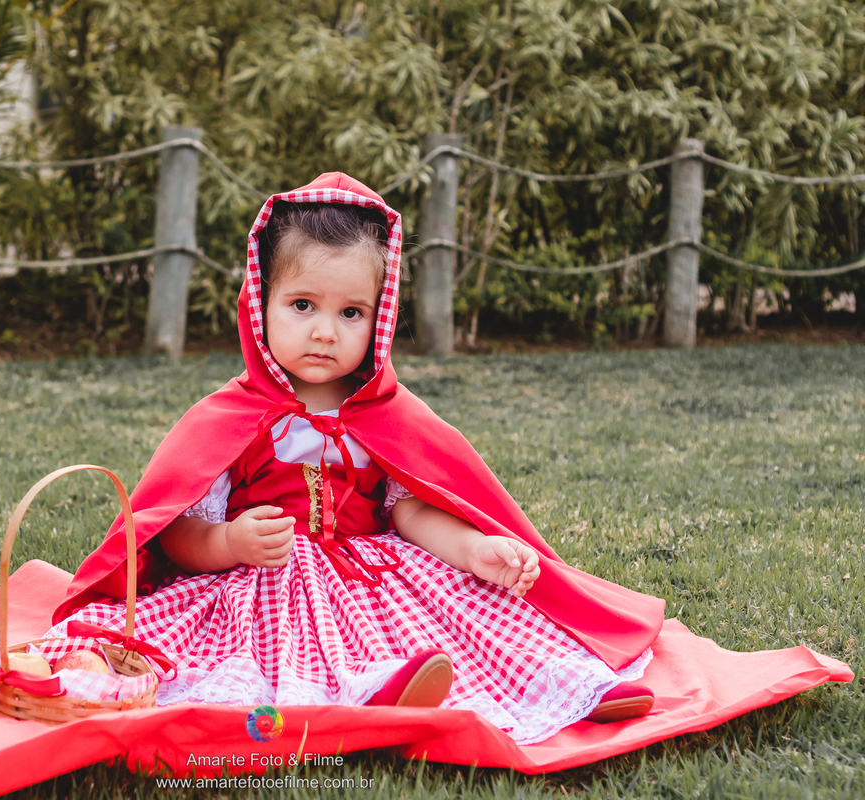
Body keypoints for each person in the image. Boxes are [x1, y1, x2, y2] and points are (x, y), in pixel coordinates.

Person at [35, 173, 660, 745]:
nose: (325, 332)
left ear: (379, 318)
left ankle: (567, 682)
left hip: (374, 579)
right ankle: (375, 692)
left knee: (474, 610)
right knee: (233, 648)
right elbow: (174, 532)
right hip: (262, 584)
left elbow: (412, 512)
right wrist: (228, 541)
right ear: (261, 303)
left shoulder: (387, 414)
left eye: (351, 312)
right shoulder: (231, 417)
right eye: (302, 305)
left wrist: (474, 550)